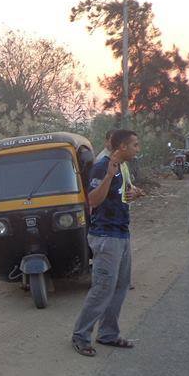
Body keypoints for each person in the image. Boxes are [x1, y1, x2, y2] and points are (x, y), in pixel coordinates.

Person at [71, 129, 144, 357]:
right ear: (122, 147)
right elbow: (92, 200)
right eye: (135, 144)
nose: (138, 149)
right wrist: (109, 177)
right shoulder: (102, 166)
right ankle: (80, 336)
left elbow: (121, 194)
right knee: (103, 288)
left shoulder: (123, 166)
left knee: (120, 286)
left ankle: (108, 334)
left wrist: (134, 194)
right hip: (105, 236)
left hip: (121, 233)